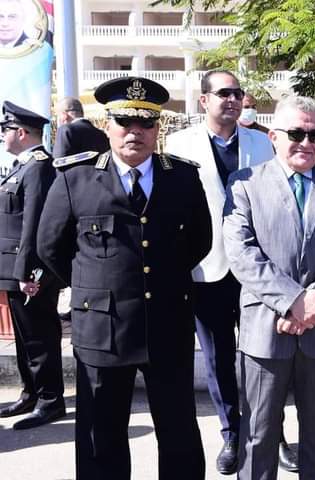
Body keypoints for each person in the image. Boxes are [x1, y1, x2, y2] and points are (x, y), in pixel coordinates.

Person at [37, 76, 212, 480]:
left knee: (179, 432)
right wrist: (94, 285)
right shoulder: (75, 178)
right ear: (107, 126)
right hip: (103, 328)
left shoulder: (182, 178)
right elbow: (50, 248)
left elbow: (199, 241)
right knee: (101, 435)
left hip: (166, 323)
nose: (135, 131)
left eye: (146, 123)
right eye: (124, 121)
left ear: (157, 128)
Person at [223, 95, 315, 480]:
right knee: (259, 434)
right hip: (265, 329)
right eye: (296, 133)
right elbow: (242, 253)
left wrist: (310, 304)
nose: (306, 142)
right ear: (273, 136)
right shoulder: (245, 184)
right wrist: (292, 303)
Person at [164, 70, 277, 475]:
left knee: (265, 356)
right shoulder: (179, 145)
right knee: (218, 357)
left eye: (237, 93)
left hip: (257, 268)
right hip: (206, 267)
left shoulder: (262, 144)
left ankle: (272, 432)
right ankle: (232, 432)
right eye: (223, 93)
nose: (232, 99)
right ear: (204, 100)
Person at [0, 101, 65, 429]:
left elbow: (35, 225)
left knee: (39, 337)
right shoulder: (22, 166)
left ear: (22, 132)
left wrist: (28, 272)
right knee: (26, 339)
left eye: (5, 129)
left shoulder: (38, 167)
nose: (3, 135)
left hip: (29, 270)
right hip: (14, 269)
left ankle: (50, 400)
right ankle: (31, 393)